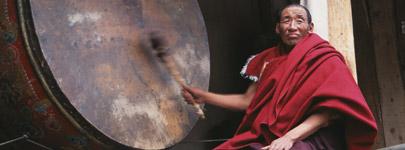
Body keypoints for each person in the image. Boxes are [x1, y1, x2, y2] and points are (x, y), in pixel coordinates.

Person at [182, 4, 377, 150]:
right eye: (286, 20)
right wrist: (205, 96)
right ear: (277, 28)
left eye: (300, 20)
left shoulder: (324, 58)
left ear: (310, 27)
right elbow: (247, 101)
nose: (292, 26)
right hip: (273, 137)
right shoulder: (267, 60)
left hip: (317, 135)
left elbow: (328, 112)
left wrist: (290, 138)